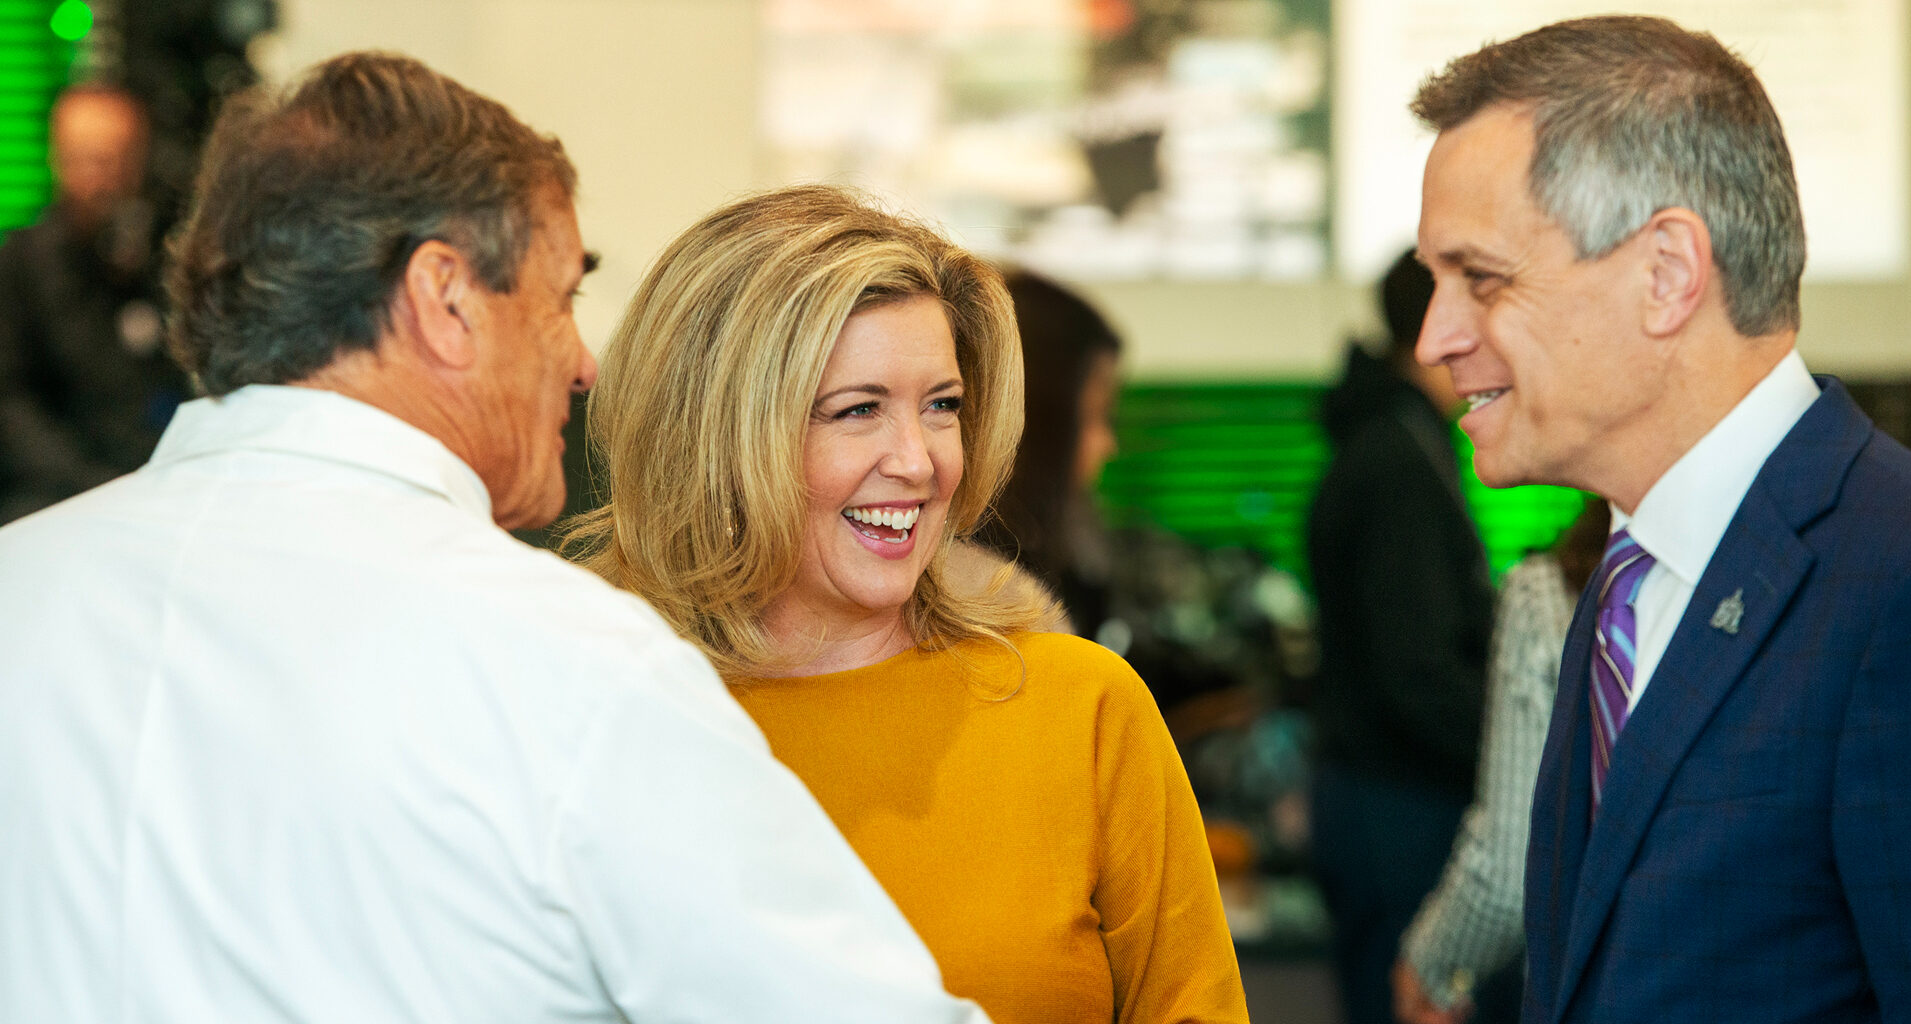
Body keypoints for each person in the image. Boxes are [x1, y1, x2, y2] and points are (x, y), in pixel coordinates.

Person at [0, 53, 991, 1023]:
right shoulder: (571, 667)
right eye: (560, 297)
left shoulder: (22, 589)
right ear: (446, 301)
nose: (584, 361)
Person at [566, 184, 1249, 1024]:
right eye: (858, 411)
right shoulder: (603, 716)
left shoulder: (1081, 708)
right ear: (721, 435)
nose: (919, 462)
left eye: (942, 408)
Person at [1412, 16, 1911, 1024]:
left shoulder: (1896, 581)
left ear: (1667, 275)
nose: (1435, 337)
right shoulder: (1618, 582)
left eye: (1482, 278)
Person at [1306, 248, 1504, 1024]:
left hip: (1378, 791)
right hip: (1399, 805)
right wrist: (1521, 761)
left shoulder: (1389, 441)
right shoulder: (1398, 462)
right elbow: (1416, 669)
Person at [1392, 499, 1608, 1024]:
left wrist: (1430, 964)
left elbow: (1513, 866)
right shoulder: (1777, 568)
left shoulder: (1547, 595)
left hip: (1583, 987)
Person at [0, 83, 187, 523]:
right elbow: (11, 406)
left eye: (117, 158)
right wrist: (95, 484)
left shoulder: (167, 259)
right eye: (87, 157)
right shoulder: (21, 266)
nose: (102, 176)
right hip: (54, 500)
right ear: (57, 157)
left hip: (158, 489)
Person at [969, 269, 1122, 636]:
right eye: (1096, 415)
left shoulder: (1066, 551)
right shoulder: (1003, 598)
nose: (1109, 445)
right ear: (1039, 419)